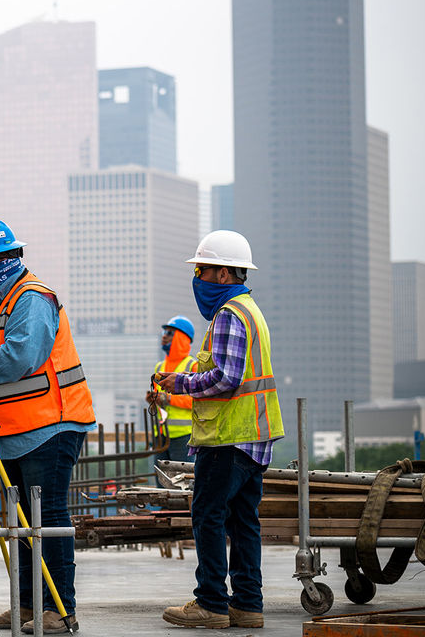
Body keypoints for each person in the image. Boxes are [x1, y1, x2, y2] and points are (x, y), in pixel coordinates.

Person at [0, 217, 96, 634]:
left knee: (46, 518)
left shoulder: (31, 298)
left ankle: (59, 610)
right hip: (12, 432)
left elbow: (21, 357)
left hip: (51, 425)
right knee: (24, 523)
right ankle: (29, 605)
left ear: (10, 257)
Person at [153, 230, 284, 630]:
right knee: (243, 520)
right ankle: (247, 604)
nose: (197, 277)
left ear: (224, 274)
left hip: (228, 437)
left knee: (207, 515)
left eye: (202, 269)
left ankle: (211, 602)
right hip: (253, 438)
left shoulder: (229, 314)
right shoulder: (250, 311)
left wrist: (180, 383)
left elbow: (225, 378)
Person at [146, 315, 197, 464]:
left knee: (182, 483)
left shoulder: (192, 366)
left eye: (169, 333)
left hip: (184, 437)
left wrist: (168, 399)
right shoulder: (159, 367)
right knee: (161, 483)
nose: (164, 337)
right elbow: (159, 399)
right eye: (164, 333)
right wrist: (153, 399)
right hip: (161, 435)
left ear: (182, 338)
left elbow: (199, 401)